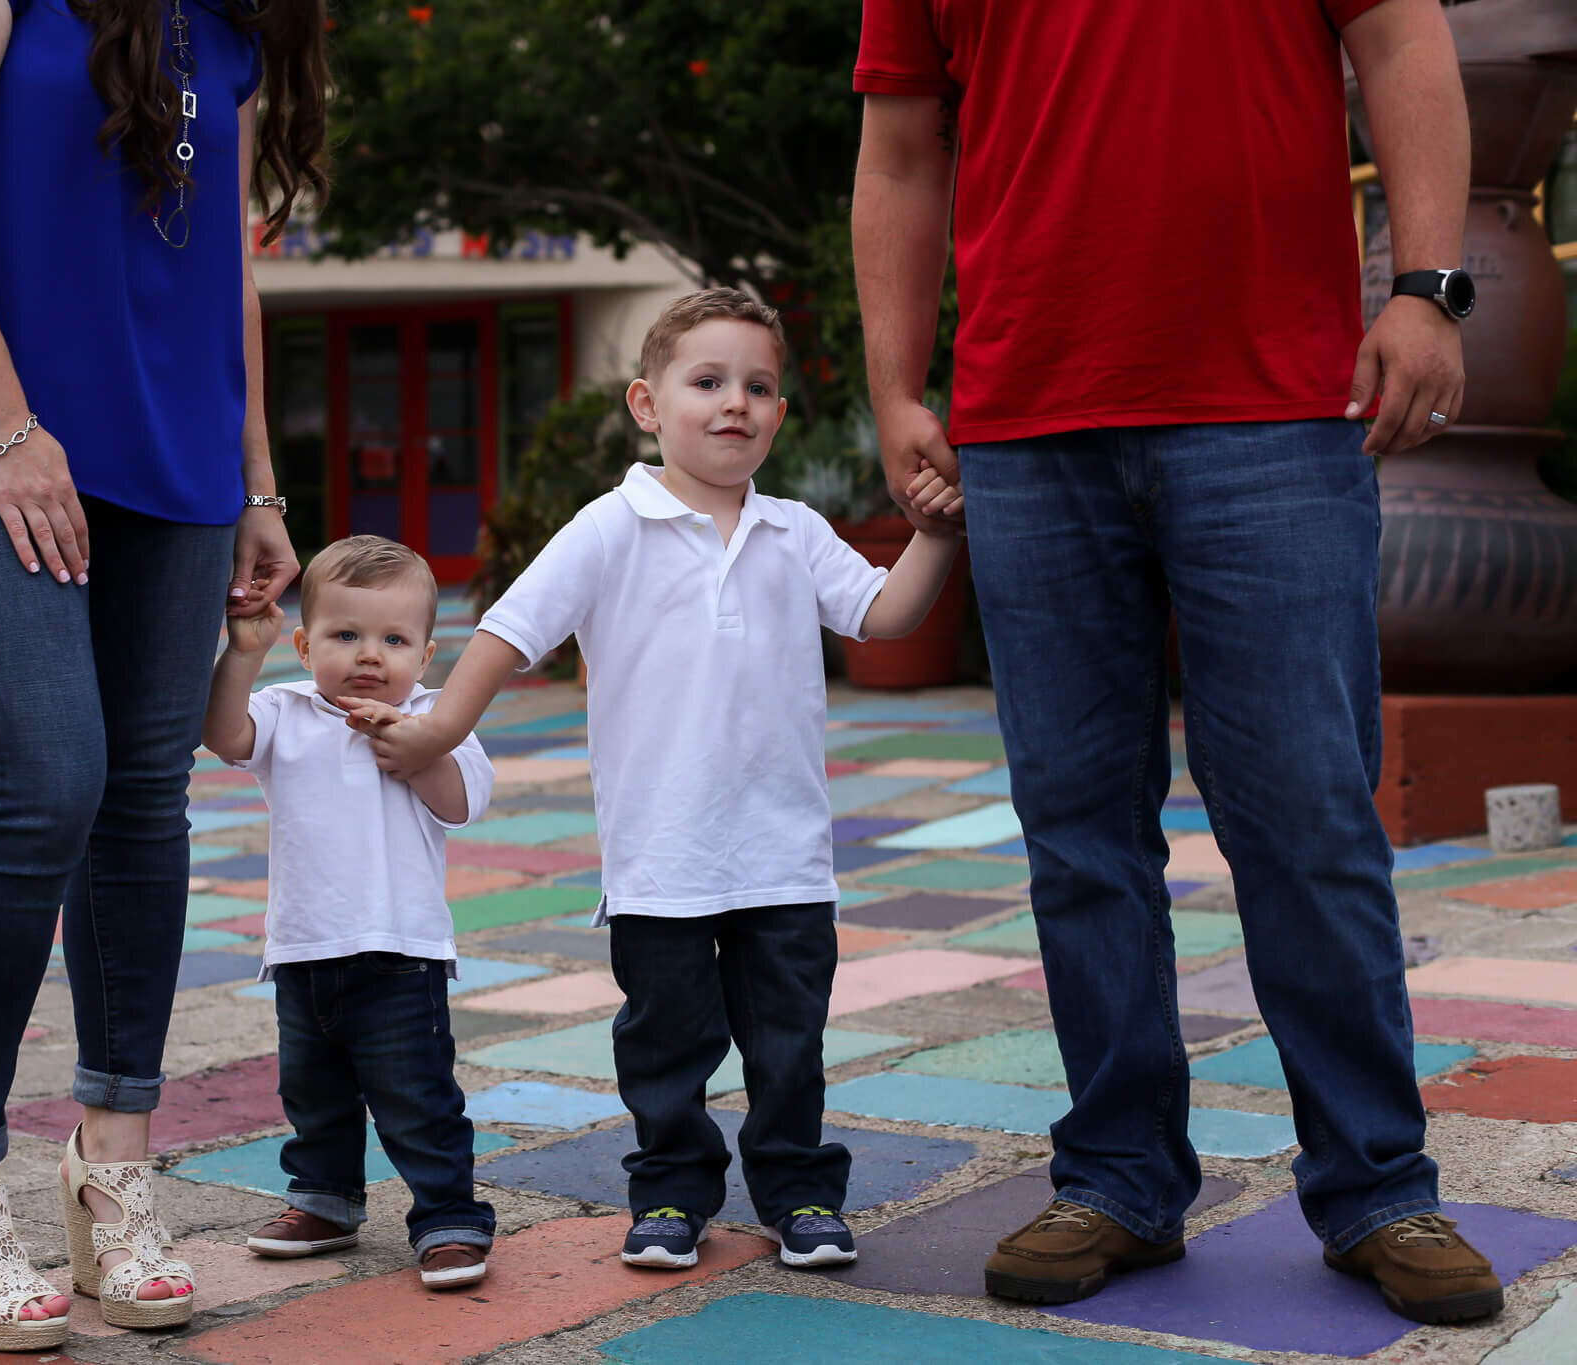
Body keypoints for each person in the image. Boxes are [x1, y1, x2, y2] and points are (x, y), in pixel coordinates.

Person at [851, 0, 1500, 1325]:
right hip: (1030, 417)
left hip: (1270, 407)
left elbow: (1402, 39)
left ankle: (1379, 1183)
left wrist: (1426, 287)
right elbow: (904, 145)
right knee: (1078, 831)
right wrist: (894, 383)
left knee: (1308, 817)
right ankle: (1119, 1179)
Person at [0, 0, 326, 1348]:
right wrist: (7, 427)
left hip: (172, 458)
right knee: (44, 785)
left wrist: (256, 481)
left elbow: (221, 264)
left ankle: (114, 1169)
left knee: (140, 806)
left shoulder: (222, 19)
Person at [356, 288, 963, 1272]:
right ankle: (673, 1194)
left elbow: (883, 616)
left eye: (758, 387)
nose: (736, 403)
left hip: (784, 856)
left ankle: (798, 1193)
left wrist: (935, 533)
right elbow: (508, 632)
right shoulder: (609, 528)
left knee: (787, 1047)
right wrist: (436, 730)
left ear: (777, 411)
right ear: (647, 403)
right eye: (708, 381)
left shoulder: (793, 531)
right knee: (664, 1046)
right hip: (662, 855)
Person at [201, 535, 500, 1289]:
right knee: (315, 1090)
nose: (371, 655)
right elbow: (224, 734)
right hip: (303, 947)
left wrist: (414, 746)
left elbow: (462, 801)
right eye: (345, 635)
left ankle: (447, 1212)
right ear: (304, 644)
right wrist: (242, 652)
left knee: (418, 1094)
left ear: (425, 656)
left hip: (402, 952)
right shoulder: (287, 710)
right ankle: (325, 1199)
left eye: (393, 640)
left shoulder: (436, 720)